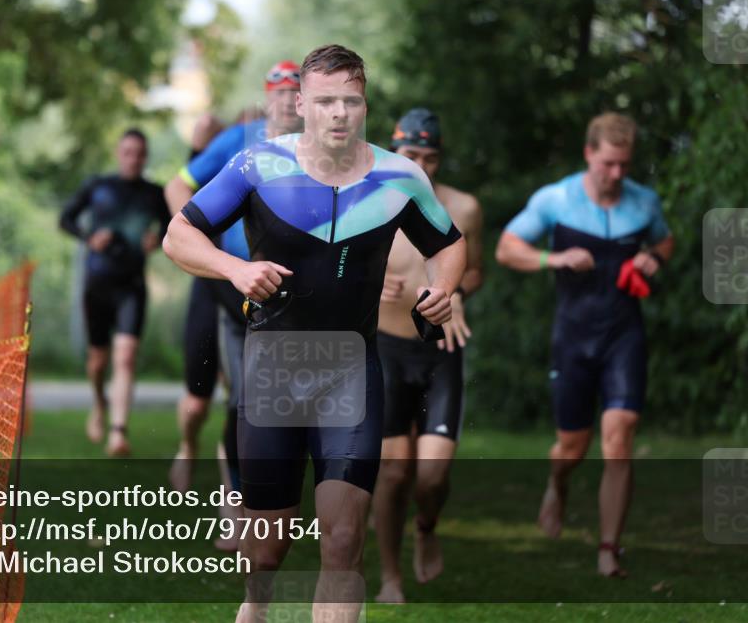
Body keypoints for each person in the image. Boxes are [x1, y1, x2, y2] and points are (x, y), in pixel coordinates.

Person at [163, 45, 466, 622]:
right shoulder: (257, 166)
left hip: (350, 369)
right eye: (325, 101)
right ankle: (255, 603)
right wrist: (236, 268)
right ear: (301, 103)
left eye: (351, 101)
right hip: (273, 369)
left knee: (343, 537)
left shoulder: (400, 178)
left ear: (365, 106)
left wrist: (442, 287)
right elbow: (179, 235)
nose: (339, 114)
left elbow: (448, 243)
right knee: (269, 543)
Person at [495, 112, 673, 577]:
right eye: (609, 164)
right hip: (573, 335)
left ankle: (608, 548)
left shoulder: (645, 202)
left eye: (625, 166)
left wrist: (652, 257)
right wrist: (554, 257)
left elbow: (666, 242)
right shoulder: (555, 199)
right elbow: (506, 248)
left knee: (621, 438)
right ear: (589, 154)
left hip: (624, 333)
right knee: (572, 447)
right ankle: (557, 486)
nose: (617, 174)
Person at [166, 61, 303, 513]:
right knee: (198, 398)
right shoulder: (239, 140)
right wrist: (198, 242)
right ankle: (189, 447)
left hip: (277, 286)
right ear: (267, 97)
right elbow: (177, 185)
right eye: (278, 91)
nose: (286, 99)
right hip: (223, 282)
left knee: (249, 394)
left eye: (294, 90)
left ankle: (237, 500)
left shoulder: (315, 147)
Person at [371, 108, 484, 603]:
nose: (421, 165)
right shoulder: (365, 203)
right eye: (411, 155)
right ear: (393, 152)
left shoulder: (465, 207)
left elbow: (476, 271)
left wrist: (455, 290)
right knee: (393, 472)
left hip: (440, 351)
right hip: (386, 349)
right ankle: (390, 578)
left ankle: (428, 524)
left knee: (432, 475)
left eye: (430, 157)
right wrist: (371, 284)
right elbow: (332, 271)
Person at [60, 128, 170, 457]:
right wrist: (89, 237)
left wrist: (158, 240)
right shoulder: (98, 186)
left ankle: (118, 432)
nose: (133, 158)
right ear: (118, 153)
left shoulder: (155, 193)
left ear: (145, 156)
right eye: (128, 152)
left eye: (139, 153)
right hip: (98, 284)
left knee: (125, 357)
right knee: (97, 362)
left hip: (132, 286)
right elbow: (65, 219)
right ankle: (98, 403)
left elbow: (173, 228)